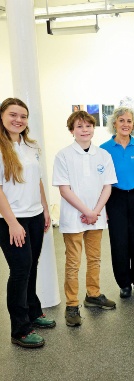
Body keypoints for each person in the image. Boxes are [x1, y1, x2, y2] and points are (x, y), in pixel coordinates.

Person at [53, 110, 118, 327]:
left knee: (95, 259)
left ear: (93, 128)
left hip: (96, 217)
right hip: (74, 217)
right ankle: (72, 305)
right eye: (79, 127)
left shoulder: (103, 155)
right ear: (72, 130)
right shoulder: (63, 155)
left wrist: (96, 211)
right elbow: (64, 189)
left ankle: (93, 294)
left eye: (88, 126)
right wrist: (87, 211)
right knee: (73, 263)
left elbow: (107, 186)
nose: (85, 130)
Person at [0, 98, 55, 348]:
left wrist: (44, 209)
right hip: (10, 219)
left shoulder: (31, 146)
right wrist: (12, 222)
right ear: (2, 116)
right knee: (20, 270)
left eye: (23, 116)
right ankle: (20, 329)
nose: (18, 120)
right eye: (13, 115)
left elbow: (39, 181)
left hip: (34, 216)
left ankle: (33, 312)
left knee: (31, 266)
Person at [100, 107, 134, 299]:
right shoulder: (104, 148)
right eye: (121, 120)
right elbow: (101, 179)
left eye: (129, 121)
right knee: (119, 241)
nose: (125, 124)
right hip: (115, 198)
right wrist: (102, 205)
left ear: (133, 125)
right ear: (114, 123)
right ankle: (124, 284)